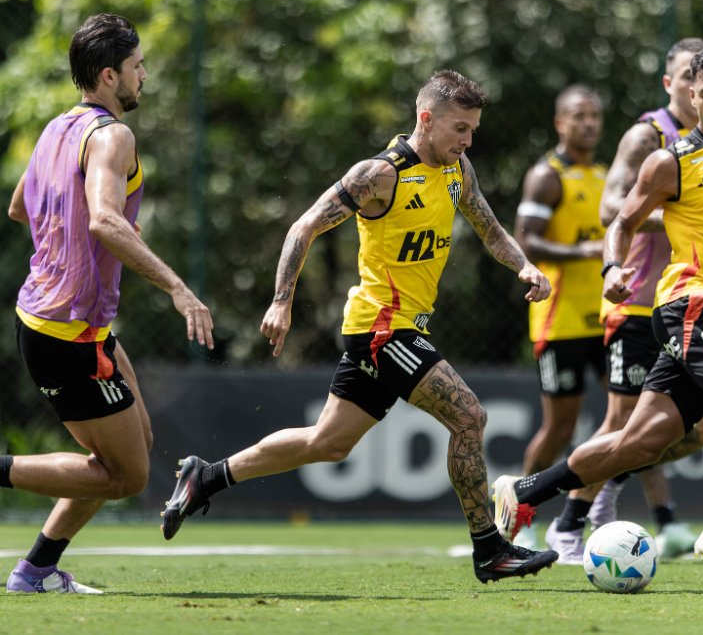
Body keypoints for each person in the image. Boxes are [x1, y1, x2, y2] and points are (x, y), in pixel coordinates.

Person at [159, 70, 560, 584]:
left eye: (473, 130)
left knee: (327, 442)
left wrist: (523, 265)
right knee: (469, 416)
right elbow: (304, 225)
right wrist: (282, 302)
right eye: (460, 128)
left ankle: (205, 476)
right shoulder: (380, 174)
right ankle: (490, 549)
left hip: (401, 328)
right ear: (426, 118)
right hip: (382, 330)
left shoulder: (459, 170)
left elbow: (490, 227)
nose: (467, 140)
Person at [493, 46, 703, 571]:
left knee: (638, 443)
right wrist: (612, 270)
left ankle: (529, 490)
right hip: (691, 299)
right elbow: (620, 222)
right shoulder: (670, 161)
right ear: (690, 96)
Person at [2, 13, 214, 594]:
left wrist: (80, 231)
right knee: (126, 476)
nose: (144, 75)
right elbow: (101, 218)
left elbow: (22, 207)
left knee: (134, 448)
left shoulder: (55, 129)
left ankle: (35, 570)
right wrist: (178, 286)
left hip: (67, 325)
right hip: (63, 333)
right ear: (108, 75)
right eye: (136, 66)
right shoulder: (114, 135)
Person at [541, 39, 703, 564]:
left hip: (692, 302)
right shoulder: (649, 136)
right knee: (623, 423)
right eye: (691, 76)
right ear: (673, 85)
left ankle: (605, 489)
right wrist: (680, 214)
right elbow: (609, 210)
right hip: (637, 302)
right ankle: (566, 524)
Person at [511, 85, 606, 547]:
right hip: (561, 319)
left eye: (594, 116)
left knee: (629, 421)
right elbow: (524, 241)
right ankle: (518, 519)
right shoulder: (546, 177)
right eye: (578, 115)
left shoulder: (609, 176)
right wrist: (584, 250)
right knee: (560, 428)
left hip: (609, 318)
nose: (588, 123)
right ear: (560, 123)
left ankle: (640, 518)